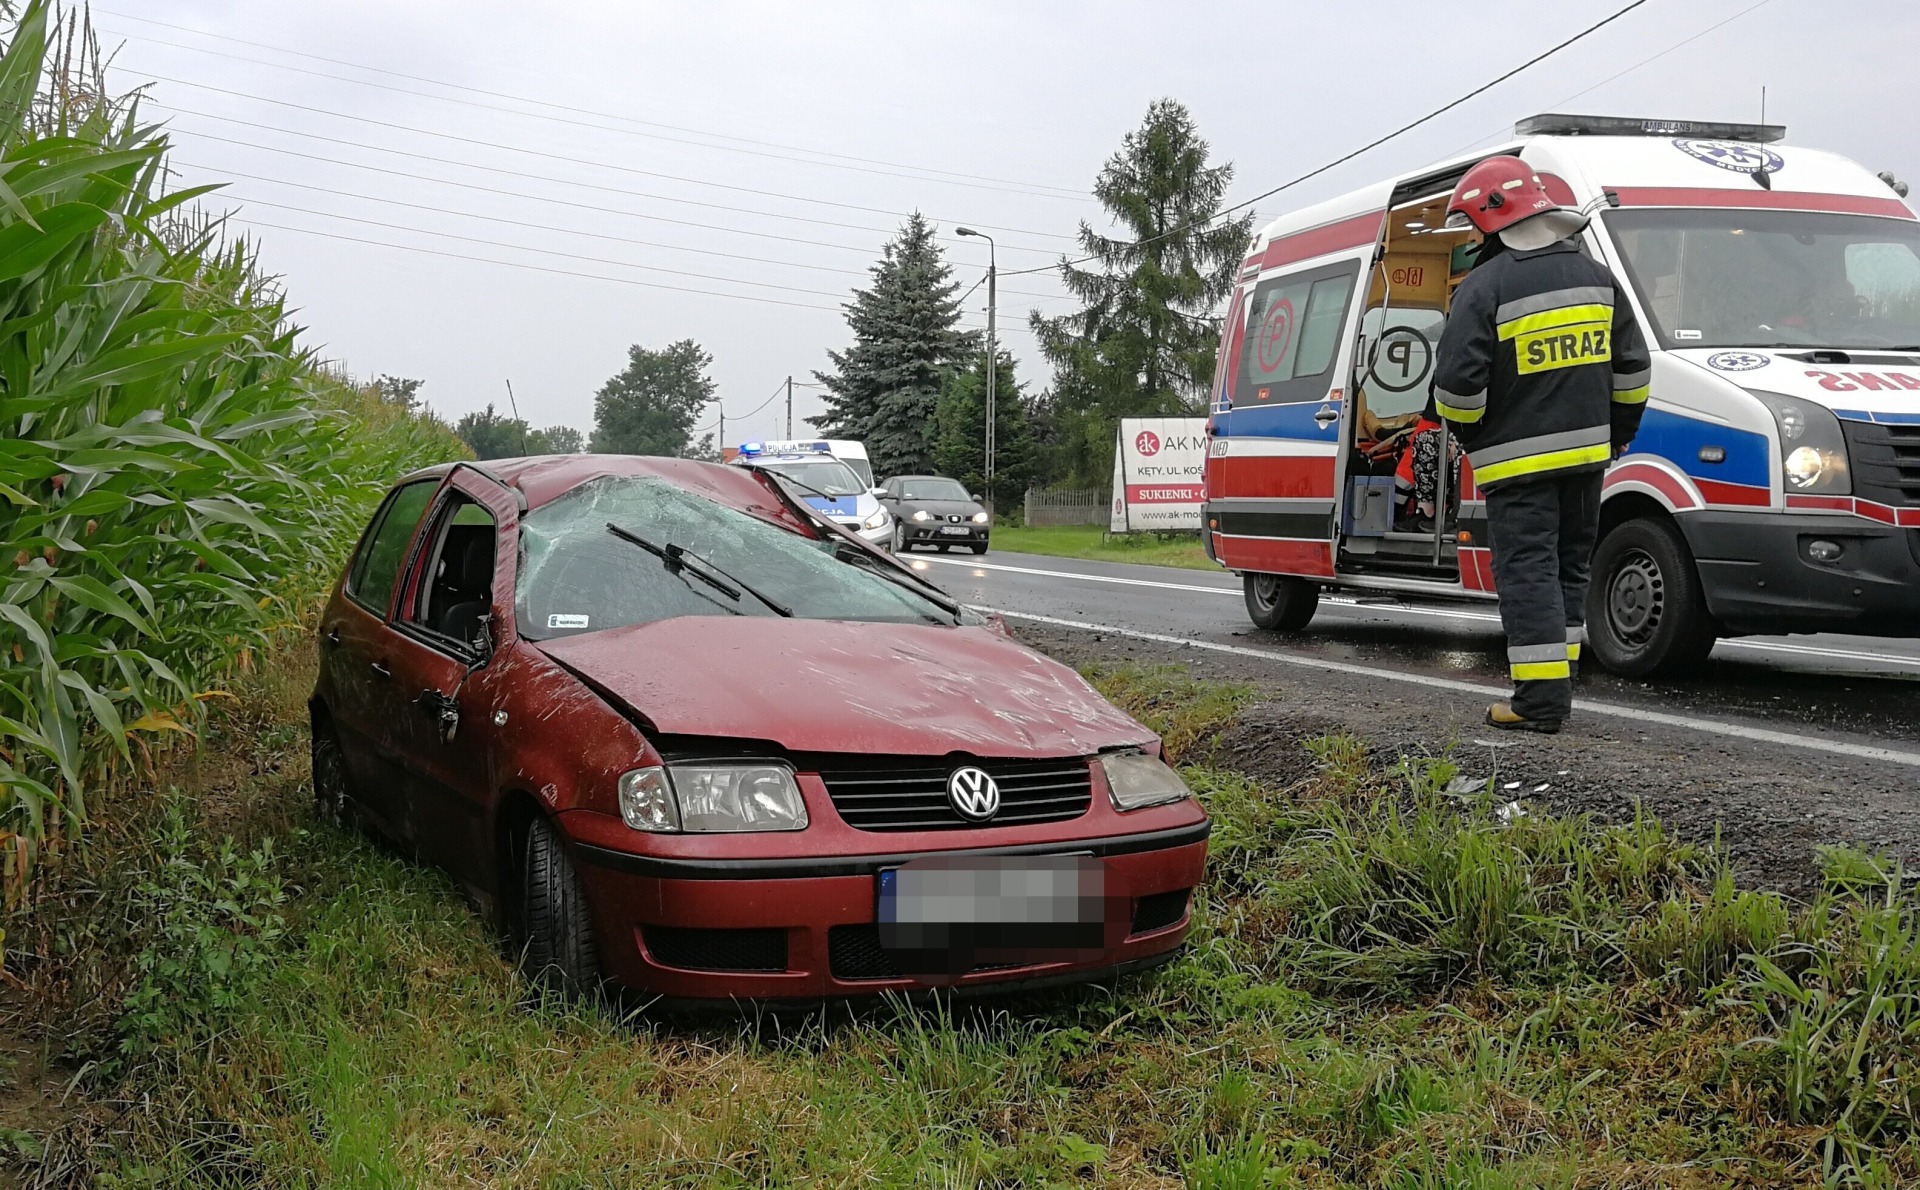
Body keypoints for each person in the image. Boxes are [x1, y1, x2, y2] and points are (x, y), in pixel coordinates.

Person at [1432, 157, 1651, 733]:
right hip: (1588, 460)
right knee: (1568, 569)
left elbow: (1456, 391)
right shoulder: (1598, 279)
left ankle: (1539, 702)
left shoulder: (1485, 286)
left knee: (1527, 571)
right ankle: (1559, 687)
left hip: (1517, 465)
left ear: (1490, 219)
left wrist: (1477, 437)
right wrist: (1615, 436)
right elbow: (1633, 372)